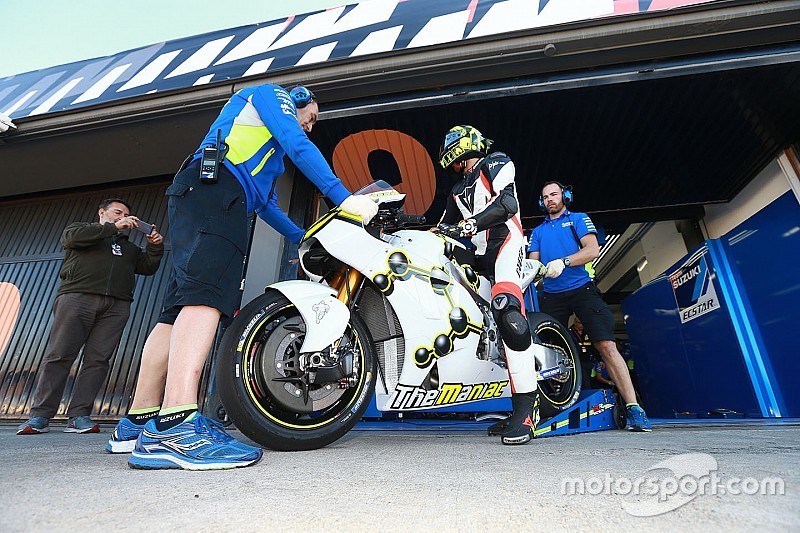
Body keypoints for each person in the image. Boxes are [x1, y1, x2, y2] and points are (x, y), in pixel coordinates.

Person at [113, 84, 378, 470]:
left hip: (202, 192)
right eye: (313, 117)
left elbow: (268, 205)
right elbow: (296, 142)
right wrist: (344, 198)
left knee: (177, 310)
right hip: (217, 191)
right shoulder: (273, 96)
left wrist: (304, 239)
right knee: (205, 299)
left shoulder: (264, 154)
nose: (311, 126)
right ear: (300, 101)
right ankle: (175, 427)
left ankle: (138, 422)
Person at [17, 199, 164, 435]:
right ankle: (40, 415)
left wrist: (155, 247)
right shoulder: (80, 231)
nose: (123, 217)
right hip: (77, 299)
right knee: (60, 355)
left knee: (98, 361)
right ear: (101, 212)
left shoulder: (129, 248)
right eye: (117, 212)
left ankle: (79, 415)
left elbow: (147, 268)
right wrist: (114, 227)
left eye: (126, 214)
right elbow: (71, 239)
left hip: (116, 306)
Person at [435, 125, 539, 445]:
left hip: (507, 245)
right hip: (478, 256)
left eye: (453, 143)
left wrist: (468, 225)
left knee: (507, 310)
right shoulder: (456, 189)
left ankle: (525, 411)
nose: (452, 154)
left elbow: (507, 204)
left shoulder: (495, 161)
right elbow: (443, 228)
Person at [527, 181, 652, 431]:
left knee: (606, 345)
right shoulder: (538, 232)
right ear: (542, 202)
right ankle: (547, 407)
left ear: (564, 196)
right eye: (545, 197)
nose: (550, 199)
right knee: (545, 351)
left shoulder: (578, 219)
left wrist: (564, 261)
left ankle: (633, 407)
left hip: (583, 290)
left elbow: (592, 250)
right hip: (551, 296)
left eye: (554, 194)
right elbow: (533, 264)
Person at [568, 315, 595, 390]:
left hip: (588, 360)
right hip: (577, 361)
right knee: (584, 382)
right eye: (579, 323)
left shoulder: (587, 332)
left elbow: (593, 347)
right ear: (575, 322)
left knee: (589, 379)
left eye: (583, 323)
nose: (581, 325)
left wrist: (599, 359)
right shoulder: (570, 332)